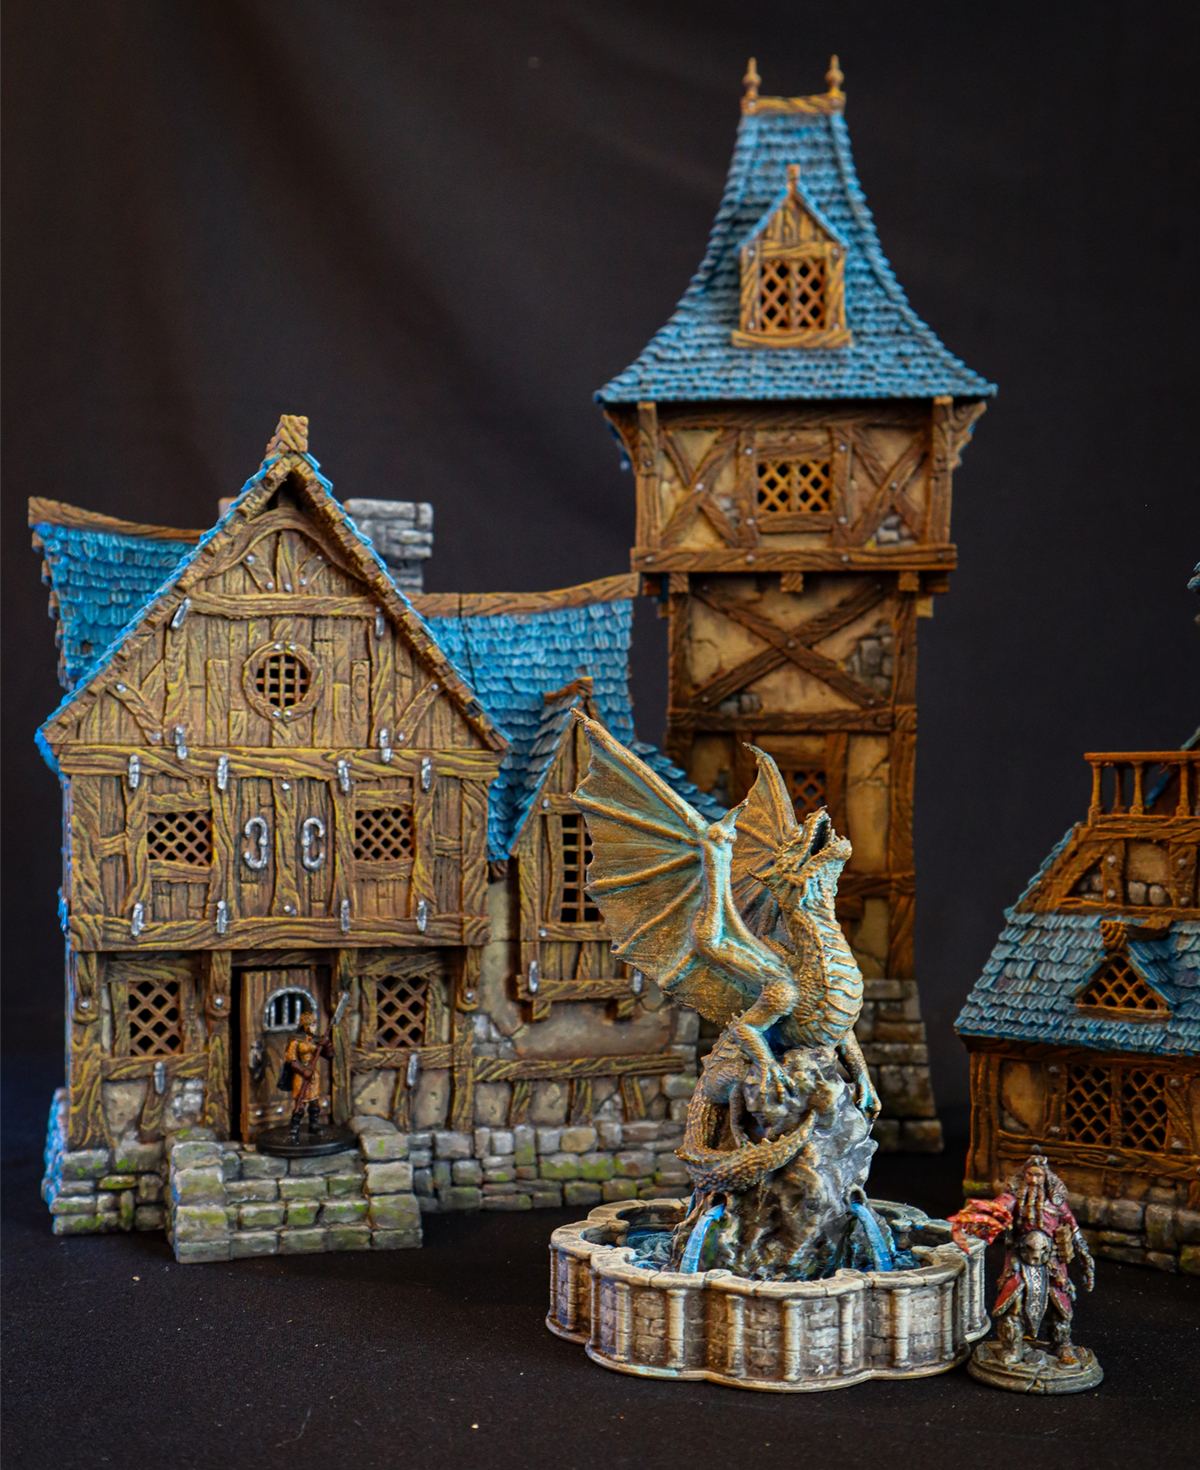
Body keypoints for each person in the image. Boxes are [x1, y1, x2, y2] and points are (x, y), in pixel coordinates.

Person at [952, 1154, 1095, 1366]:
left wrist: (1083, 1253)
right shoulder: (1015, 1198)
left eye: (1038, 1176)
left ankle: (1062, 1345)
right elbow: (999, 1208)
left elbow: (1072, 1226)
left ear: (1046, 1178)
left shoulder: (1056, 1201)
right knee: (1012, 1305)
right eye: (1030, 1175)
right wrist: (984, 1215)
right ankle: (1012, 1347)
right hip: (1020, 1259)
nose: (1034, 1180)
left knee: (1060, 1306)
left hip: (1051, 1260)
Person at [283, 1009, 333, 1141]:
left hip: (313, 1075)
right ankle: (294, 1128)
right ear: (305, 1026)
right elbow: (291, 1060)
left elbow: (329, 1055)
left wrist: (327, 1044)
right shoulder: (296, 1041)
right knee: (301, 1102)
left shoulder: (316, 1040)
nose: (314, 1027)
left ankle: (313, 1125)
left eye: (315, 1024)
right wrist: (303, 1071)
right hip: (301, 1075)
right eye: (312, 1025)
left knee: (314, 1101)